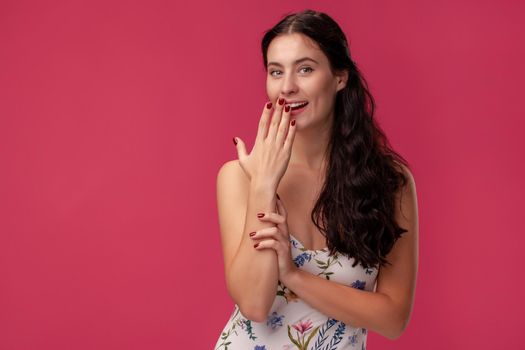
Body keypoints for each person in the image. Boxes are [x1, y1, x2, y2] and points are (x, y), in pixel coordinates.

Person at [214, 9, 419, 350]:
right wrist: (264, 185)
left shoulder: (390, 181)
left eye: (305, 69)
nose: (288, 87)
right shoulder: (239, 176)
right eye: (275, 71)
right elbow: (254, 304)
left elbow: (393, 318)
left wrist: (293, 275)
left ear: (340, 77)